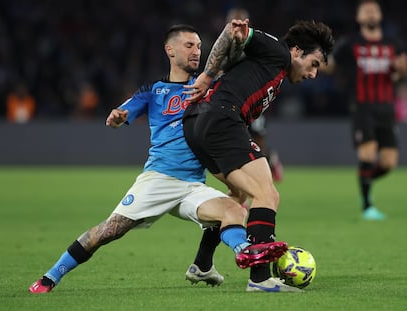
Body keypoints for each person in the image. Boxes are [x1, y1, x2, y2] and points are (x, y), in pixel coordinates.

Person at [28, 24, 293, 294]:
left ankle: (244, 251)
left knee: (235, 208)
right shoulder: (153, 91)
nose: (196, 52)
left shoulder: (209, 84)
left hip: (192, 185)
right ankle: (50, 277)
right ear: (170, 50)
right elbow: (122, 112)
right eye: (189, 46)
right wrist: (118, 117)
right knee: (110, 231)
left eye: (199, 46)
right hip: (159, 179)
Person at [182, 18, 334, 292]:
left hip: (199, 123)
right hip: (222, 117)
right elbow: (234, 31)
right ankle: (260, 278)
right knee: (267, 195)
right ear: (297, 51)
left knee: (239, 196)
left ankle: (201, 265)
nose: (313, 74)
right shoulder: (277, 51)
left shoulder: (273, 70)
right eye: (313, 64)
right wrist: (207, 75)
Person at [321, 0, 407, 220]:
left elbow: (400, 73)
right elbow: (331, 66)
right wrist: (314, 61)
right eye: (365, 11)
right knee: (367, 154)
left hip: (387, 108)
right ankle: (368, 205)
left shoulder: (393, 44)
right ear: (359, 18)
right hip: (362, 106)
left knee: (388, 163)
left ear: (379, 16)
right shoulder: (350, 44)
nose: (370, 14)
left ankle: (365, 181)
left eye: (374, 11)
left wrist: (401, 70)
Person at [225, 8, 284, 182]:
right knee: (237, 145)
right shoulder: (223, 47)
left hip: (254, 105)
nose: (235, 27)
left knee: (258, 143)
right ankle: (242, 188)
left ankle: (270, 159)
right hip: (234, 104)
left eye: (239, 23)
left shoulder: (255, 47)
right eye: (231, 23)